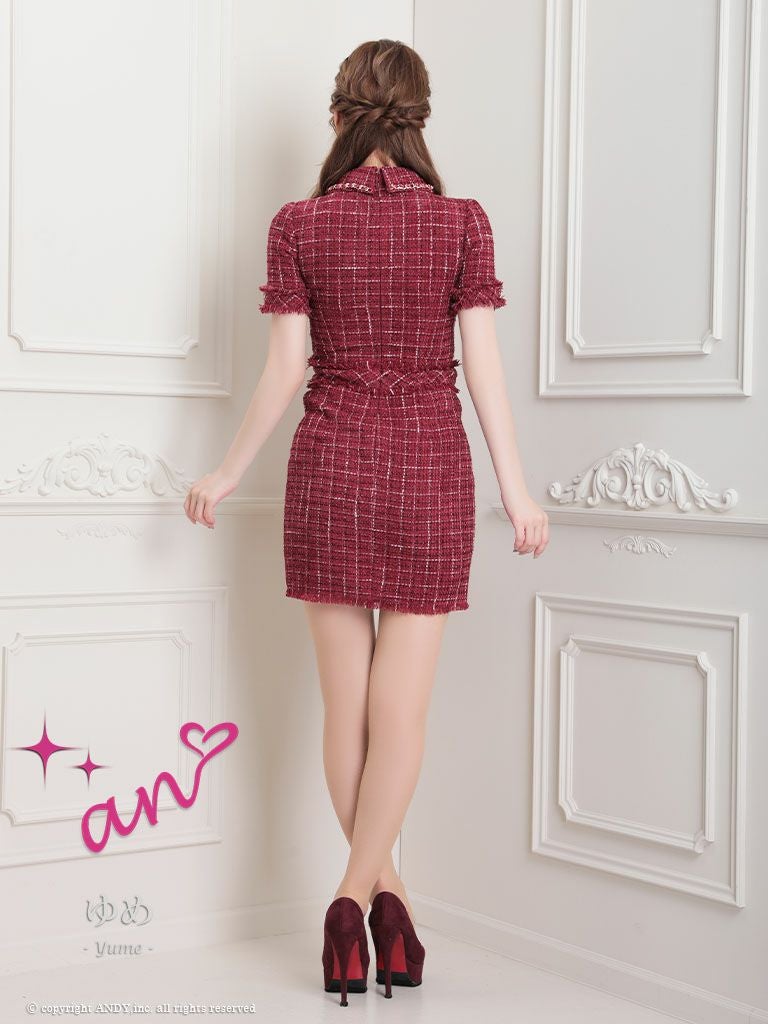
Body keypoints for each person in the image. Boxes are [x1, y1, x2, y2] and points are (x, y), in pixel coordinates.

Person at [184, 38, 548, 1005]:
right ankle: (370, 899)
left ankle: (365, 905)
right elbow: (484, 372)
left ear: (338, 114)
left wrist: (224, 472)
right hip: (431, 473)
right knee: (402, 717)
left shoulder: (298, 224)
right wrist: (517, 492)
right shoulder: (463, 223)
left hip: (331, 470)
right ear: (419, 116)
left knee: (345, 711)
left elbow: (285, 371)